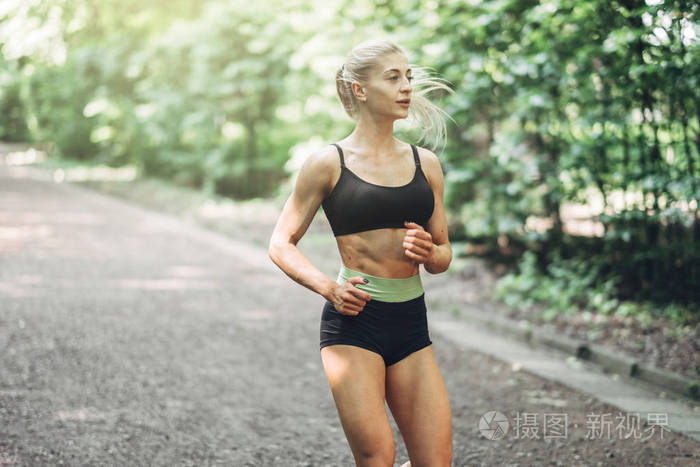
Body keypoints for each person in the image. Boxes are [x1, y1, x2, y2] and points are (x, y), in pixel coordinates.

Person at [268, 39, 453, 467]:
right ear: (359, 89)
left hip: (411, 322)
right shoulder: (328, 163)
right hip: (354, 325)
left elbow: (443, 255)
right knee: (377, 456)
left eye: (408, 76)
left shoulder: (425, 163)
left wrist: (429, 252)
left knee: (435, 461)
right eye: (393, 77)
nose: (407, 86)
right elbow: (280, 243)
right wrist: (328, 288)